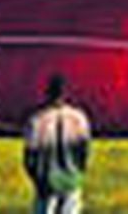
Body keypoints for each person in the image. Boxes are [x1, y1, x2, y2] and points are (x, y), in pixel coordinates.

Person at [22, 73, 91, 214]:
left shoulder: (37, 121)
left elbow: (29, 157)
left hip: (46, 184)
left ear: (48, 93)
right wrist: (78, 172)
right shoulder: (79, 118)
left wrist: (37, 178)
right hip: (72, 180)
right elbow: (84, 153)